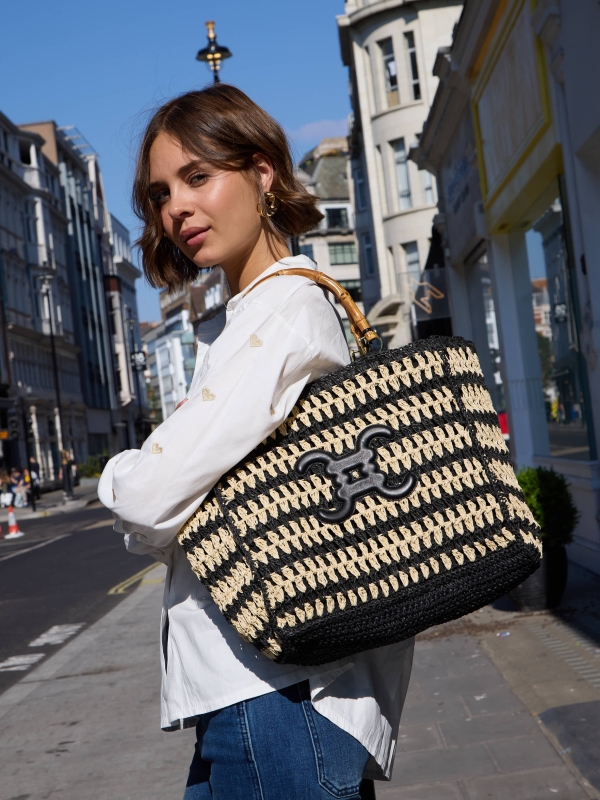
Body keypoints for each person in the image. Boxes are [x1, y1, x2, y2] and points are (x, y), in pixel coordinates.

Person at [98, 85, 414, 800]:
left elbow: (149, 497)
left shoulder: (287, 309)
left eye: (198, 176)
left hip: (280, 695)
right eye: (159, 193)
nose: (174, 207)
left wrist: (116, 474)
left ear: (263, 172)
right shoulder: (250, 318)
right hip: (257, 692)